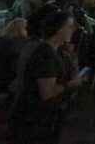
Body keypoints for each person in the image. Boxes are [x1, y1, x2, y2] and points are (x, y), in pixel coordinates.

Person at [8, 11, 86, 144]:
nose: (73, 31)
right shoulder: (45, 55)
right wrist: (70, 84)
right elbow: (47, 93)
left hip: (47, 117)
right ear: (58, 29)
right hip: (34, 119)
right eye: (70, 27)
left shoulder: (58, 51)